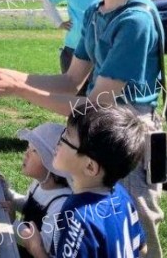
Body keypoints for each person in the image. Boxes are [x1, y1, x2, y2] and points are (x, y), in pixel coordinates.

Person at [0, 0, 165, 257]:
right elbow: (72, 79)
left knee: (136, 223)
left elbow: (96, 103)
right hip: (98, 129)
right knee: (91, 221)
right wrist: (13, 76)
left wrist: (18, 90)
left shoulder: (135, 20)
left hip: (131, 134)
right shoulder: (94, 12)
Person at [21, 105, 148, 258]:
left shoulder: (79, 219)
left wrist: (36, 248)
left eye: (66, 137)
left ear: (89, 167)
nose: (58, 141)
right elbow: (142, 248)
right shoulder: (121, 195)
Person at [0, 123, 71, 257]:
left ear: (52, 163)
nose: (26, 154)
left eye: (34, 151)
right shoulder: (39, 184)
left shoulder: (60, 204)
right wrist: (8, 193)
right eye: (28, 147)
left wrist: (14, 223)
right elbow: (28, 205)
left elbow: (42, 245)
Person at [42, 0, 100, 73]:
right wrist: (58, 22)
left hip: (99, 48)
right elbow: (48, 0)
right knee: (70, 87)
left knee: (100, 88)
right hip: (73, 47)